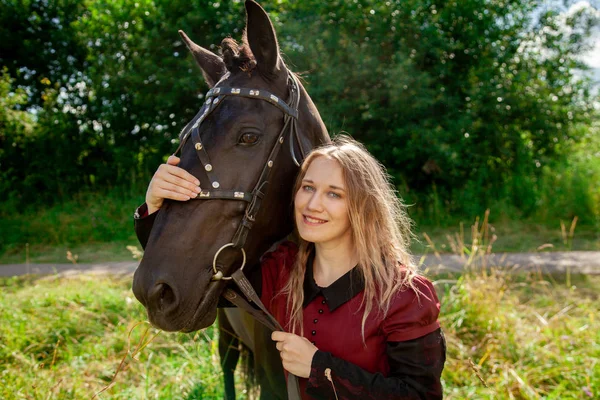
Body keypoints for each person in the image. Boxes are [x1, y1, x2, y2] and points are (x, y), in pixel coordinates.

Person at [136, 136, 446, 399]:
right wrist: (155, 208)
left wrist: (319, 366)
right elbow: (199, 281)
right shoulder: (279, 271)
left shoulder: (405, 296)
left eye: (334, 194)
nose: (312, 205)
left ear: (363, 207)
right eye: (307, 187)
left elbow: (419, 394)